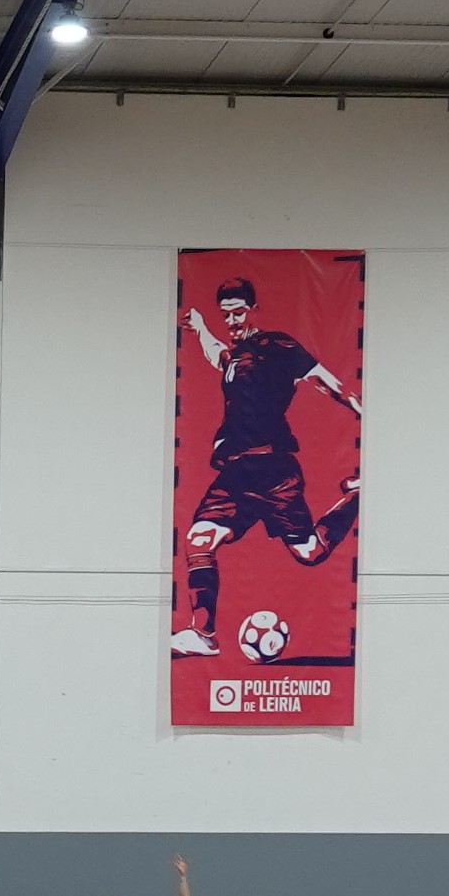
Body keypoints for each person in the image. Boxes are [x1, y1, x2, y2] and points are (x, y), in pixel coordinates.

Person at [167, 268, 366, 658]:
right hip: (234, 473)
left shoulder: (277, 346)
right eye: (226, 314)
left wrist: (363, 410)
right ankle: (204, 634)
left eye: (239, 312)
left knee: (310, 552)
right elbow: (217, 353)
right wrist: (202, 327)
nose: (232, 320)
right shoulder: (232, 357)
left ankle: (357, 496)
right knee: (198, 541)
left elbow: (325, 381)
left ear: (254, 309)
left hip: (272, 469)